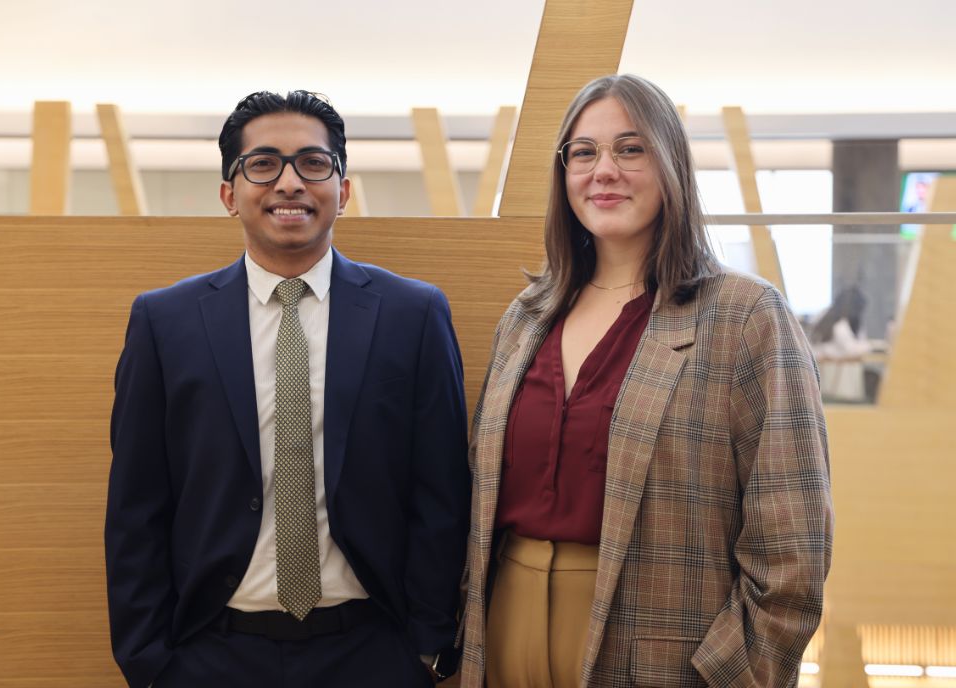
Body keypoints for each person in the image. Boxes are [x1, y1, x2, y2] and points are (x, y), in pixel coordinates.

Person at [459, 74, 833, 687]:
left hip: (660, 646)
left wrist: (742, 673)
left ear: (672, 165)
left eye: (630, 149)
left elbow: (792, 540)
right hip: (504, 621)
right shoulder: (527, 315)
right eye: (584, 153)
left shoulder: (745, 315)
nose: (604, 170)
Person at [105, 90, 469, 688]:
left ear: (343, 191)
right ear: (230, 194)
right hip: (209, 652)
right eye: (264, 164)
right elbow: (136, 505)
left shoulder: (413, 314)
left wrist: (425, 649)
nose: (291, 182)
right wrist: (149, 662)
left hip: (372, 651)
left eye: (314, 163)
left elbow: (442, 493)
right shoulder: (165, 321)